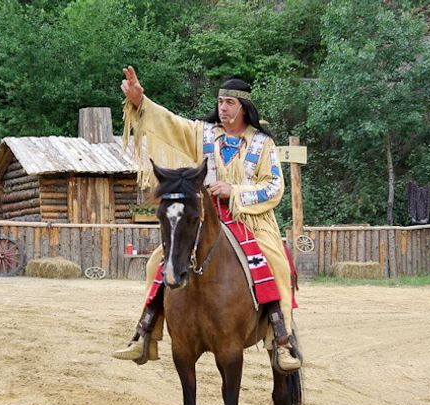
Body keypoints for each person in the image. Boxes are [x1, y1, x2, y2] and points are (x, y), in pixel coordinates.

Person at [112, 65, 301, 372]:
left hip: (250, 220)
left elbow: (274, 186)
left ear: (243, 108)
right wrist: (140, 101)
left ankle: (281, 340)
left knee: (276, 263)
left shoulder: (262, 144)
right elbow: (170, 124)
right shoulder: (204, 134)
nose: (222, 108)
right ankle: (146, 333)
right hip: (204, 217)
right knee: (157, 262)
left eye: (229, 103)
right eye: (220, 102)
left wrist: (234, 190)